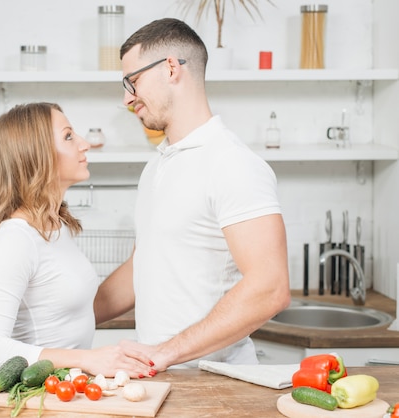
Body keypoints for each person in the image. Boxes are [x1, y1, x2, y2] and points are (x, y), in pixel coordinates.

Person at [94, 18, 291, 369]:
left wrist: (166, 352)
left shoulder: (232, 163)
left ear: (171, 68)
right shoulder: (158, 165)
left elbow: (270, 287)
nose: (127, 98)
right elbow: (143, 265)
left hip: (216, 384)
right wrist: (70, 320)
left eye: (133, 82)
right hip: (161, 376)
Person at [0, 102, 155, 378]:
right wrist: (88, 359)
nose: (84, 144)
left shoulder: (56, 226)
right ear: (37, 155)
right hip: (36, 397)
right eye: (69, 136)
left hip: (64, 390)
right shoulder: (16, 238)